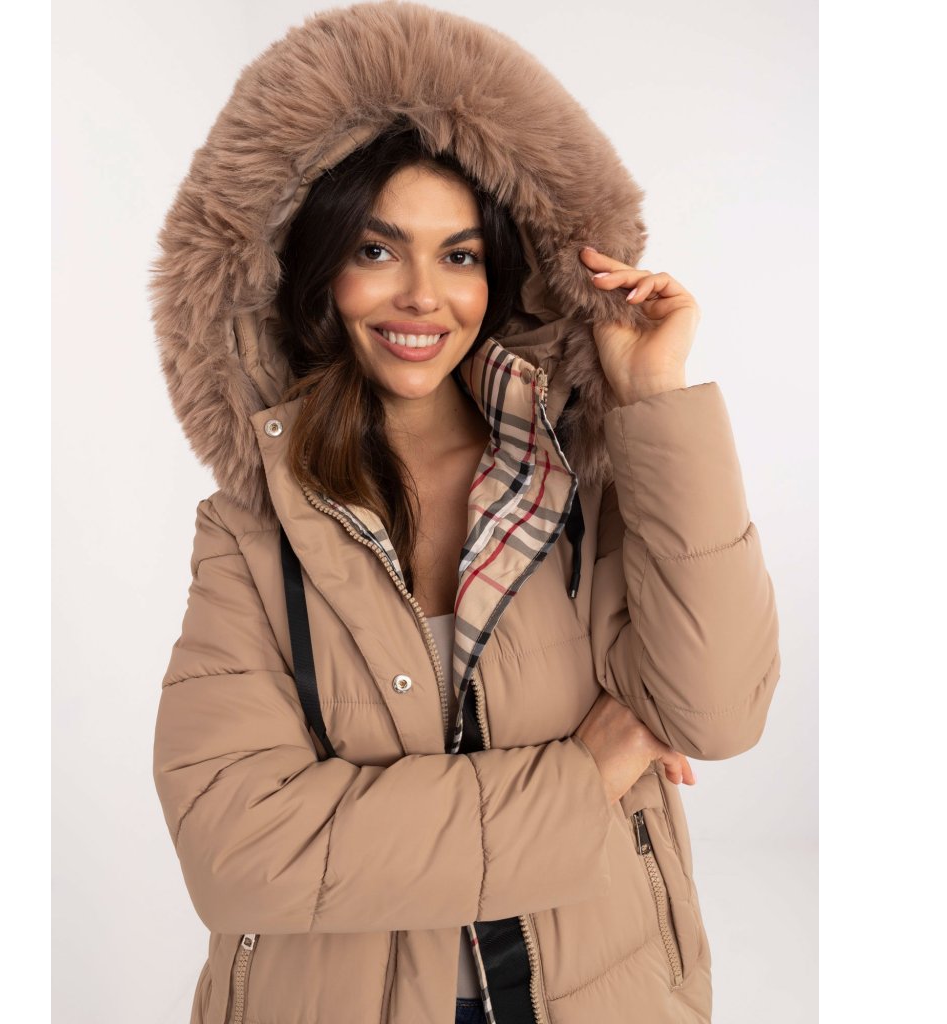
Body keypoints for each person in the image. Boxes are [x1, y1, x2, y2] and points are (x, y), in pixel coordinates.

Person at [149, 4, 781, 1024]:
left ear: (499, 276)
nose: (421, 296)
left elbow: (717, 713)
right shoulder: (252, 532)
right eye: (375, 250)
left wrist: (652, 398)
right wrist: (584, 775)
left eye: (459, 256)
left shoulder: (579, 483)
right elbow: (240, 850)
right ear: (316, 272)